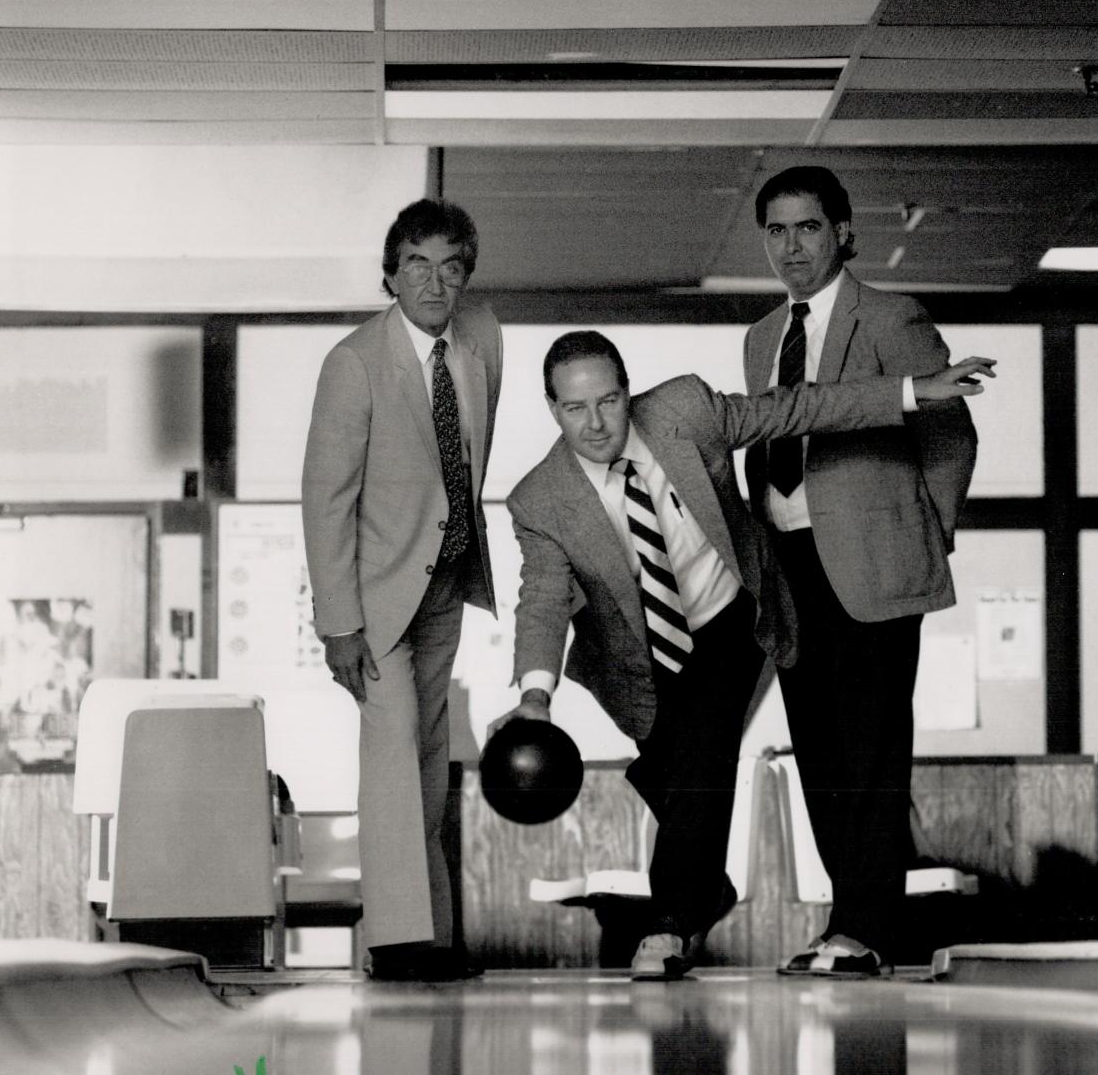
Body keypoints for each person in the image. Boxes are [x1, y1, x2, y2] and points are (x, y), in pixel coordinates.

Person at [489, 330, 991, 981]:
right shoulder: (539, 499)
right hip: (641, 653)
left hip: (732, 614)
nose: (595, 423)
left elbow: (796, 409)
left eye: (609, 402)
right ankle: (705, 890)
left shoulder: (684, 413)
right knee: (673, 768)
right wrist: (534, 698)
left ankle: (670, 924)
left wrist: (910, 391)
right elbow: (543, 598)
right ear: (553, 408)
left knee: (705, 743)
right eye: (575, 408)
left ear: (628, 392)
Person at [743, 165, 979, 978]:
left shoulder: (889, 316)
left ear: (842, 232)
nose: (791, 247)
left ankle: (868, 925)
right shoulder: (761, 336)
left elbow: (949, 435)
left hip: (874, 568)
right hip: (789, 567)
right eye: (775, 231)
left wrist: (926, 535)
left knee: (872, 749)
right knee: (819, 751)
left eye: (807, 227)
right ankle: (845, 920)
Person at [302, 197, 502, 981]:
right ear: (389, 274)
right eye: (416, 264)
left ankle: (435, 936)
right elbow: (326, 499)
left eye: (450, 266)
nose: (434, 281)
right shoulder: (354, 362)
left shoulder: (478, 345)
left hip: (445, 585)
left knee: (427, 768)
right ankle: (397, 942)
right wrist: (337, 624)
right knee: (391, 764)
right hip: (377, 598)